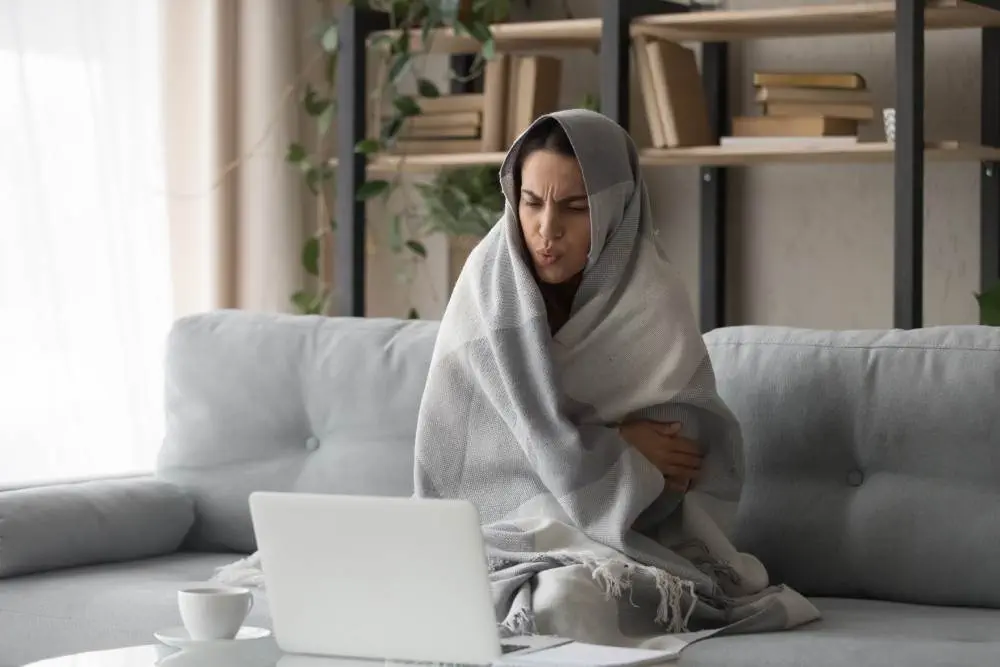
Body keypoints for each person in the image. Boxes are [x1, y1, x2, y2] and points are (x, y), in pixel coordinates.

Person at [413, 109, 818, 649]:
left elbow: (677, 465)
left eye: (575, 208)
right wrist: (617, 446)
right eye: (530, 202)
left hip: (620, 541)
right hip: (496, 530)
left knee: (567, 598)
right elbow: (471, 454)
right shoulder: (489, 286)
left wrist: (588, 455)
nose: (546, 229)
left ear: (615, 211)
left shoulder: (650, 299)